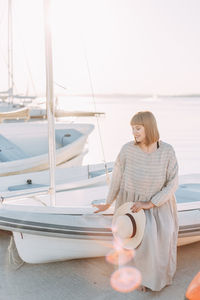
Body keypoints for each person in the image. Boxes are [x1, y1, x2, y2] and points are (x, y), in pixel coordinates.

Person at [93, 111, 179, 292]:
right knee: (133, 241)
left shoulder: (167, 151)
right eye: (132, 129)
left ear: (149, 127)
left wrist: (151, 203)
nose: (134, 132)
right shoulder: (127, 150)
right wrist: (108, 203)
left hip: (158, 205)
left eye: (138, 128)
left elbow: (173, 183)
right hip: (131, 206)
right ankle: (135, 278)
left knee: (155, 242)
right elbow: (116, 178)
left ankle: (153, 279)